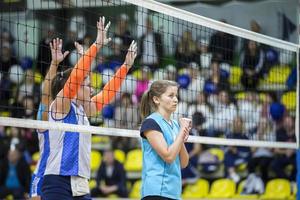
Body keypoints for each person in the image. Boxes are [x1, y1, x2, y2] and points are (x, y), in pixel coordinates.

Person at [40, 16, 137, 199]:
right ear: (75, 88)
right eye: (88, 85)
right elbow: (76, 77)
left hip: (80, 181)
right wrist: (97, 45)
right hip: (58, 180)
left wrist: (125, 67)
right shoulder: (60, 105)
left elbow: (108, 94)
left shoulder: (83, 109)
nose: (92, 88)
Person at [29, 38, 83, 199]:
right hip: (44, 175)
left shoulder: (73, 111)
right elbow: (45, 95)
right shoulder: (47, 114)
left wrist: (84, 59)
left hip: (68, 179)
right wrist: (54, 63)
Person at [139, 80, 191, 200]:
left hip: (174, 192)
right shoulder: (151, 122)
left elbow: (184, 163)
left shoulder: (175, 125)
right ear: (156, 99)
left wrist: (181, 134)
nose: (176, 100)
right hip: (157, 191)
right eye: (170, 96)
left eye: (176, 95)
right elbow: (168, 157)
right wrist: (182, 130)